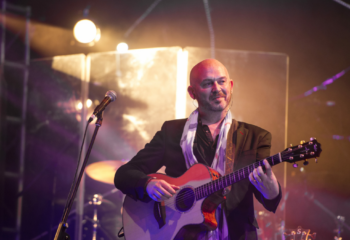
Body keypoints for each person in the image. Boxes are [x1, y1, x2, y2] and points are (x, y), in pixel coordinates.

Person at [114, 59, 282, 240]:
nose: (217, 88)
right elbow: (124, 174)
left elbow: (269, 200)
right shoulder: (172, 132)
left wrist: (271, 187)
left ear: (231, 86)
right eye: (208, 83)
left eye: (222, 81)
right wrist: (147, 184)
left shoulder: (256, 137)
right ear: (192, 92)